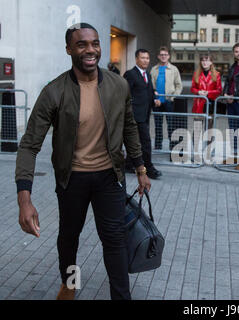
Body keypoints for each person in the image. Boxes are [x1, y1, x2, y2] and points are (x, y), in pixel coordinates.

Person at [15, 23, 151, 300]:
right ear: (69, 49)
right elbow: (29, 145)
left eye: (95, 43)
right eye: (82, 44)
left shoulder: (118, 85)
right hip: (72, 178)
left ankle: (121, 297)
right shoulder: (54, 92)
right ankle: (70, 283)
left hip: (109, 176)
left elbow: (129, 128)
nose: (90, 50)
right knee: (69, 237)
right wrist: (24, 199)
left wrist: (140, 168)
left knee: (114, 240)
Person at [123, 49, 162, 180]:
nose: (146, 60)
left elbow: (148, 92)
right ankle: (149, 169)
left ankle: (128, 164)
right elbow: (125, 94)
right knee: (145, 142)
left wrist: (154, 100)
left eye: (147, 58)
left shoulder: (147, 75)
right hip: (134, 116)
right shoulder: (130, 74)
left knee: (135, 142)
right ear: (136, 59)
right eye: (143, 58)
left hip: (145, 115)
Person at [150, 46, 183, 152]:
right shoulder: (154, 69)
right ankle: (158, 146)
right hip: (157, 102)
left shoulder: (174, 69)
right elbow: (150, 85)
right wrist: (154, 96)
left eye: (165, 54)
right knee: (158, 125)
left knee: (171, 125)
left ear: (168, 56)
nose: (163, 56)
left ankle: (172, 146)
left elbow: (179, 85)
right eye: (161, 55)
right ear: (158, 56)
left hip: (169, 101)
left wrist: (173, 97)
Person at [191, 54, 222, 130]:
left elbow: (219, 90)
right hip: (199, 104)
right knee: (197, 130)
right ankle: (196, 142)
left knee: (209, 130)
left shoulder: (216, 74)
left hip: (210, 104)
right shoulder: (196, 73)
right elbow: (192, 88)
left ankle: (209, 142)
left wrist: (208, 93)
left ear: (211, 62)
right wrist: (198, 92)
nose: (205, 62)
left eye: (207, 60)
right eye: (203, 60)